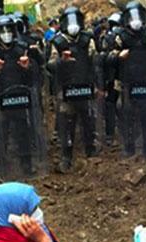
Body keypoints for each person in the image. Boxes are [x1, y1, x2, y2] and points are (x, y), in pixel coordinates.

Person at [0, 15, 48, 179]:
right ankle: (1, 167)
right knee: (0, 135)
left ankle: (27, 166)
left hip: (21, 98)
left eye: (9, 30)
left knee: (23, 133)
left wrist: (27, 68)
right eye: (2, 31)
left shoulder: (23, 48)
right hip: (0, 98)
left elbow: (36, 75)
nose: (6, 34)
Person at [48, 6, 101, 172]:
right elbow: (49, 65)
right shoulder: (57, 42)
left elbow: (95, 63)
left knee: (88, 121)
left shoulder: (88, 40)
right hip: (65, 89)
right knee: (66, 124)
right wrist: (62, 61)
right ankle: (66, 157)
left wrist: (98, 85)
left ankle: (90, 151)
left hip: (85, 87)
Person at [111, 1, 146, 157]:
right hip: (127, 82)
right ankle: (129, 148)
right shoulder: (120, 36)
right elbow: (107, 57)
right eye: (132, 17)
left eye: (138, 16)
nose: (135, 20)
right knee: (128, 115)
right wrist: (118, 56)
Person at [100, 12, 122, 147]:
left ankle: (112, 134)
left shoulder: (125, 37)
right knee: (111, 105)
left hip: (120, 76)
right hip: (114, 76)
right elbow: (103, 60)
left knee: (114, 105)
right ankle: (110, 134)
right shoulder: (108, 38)